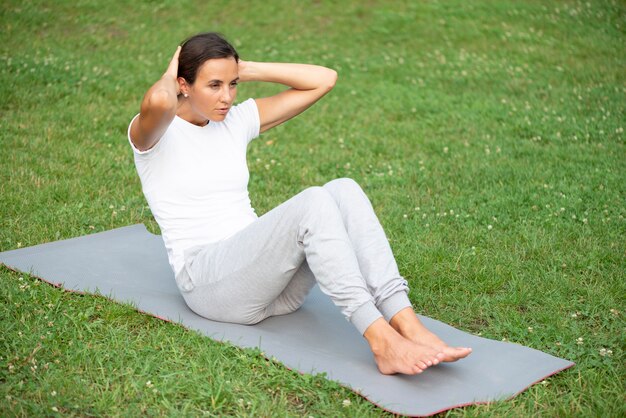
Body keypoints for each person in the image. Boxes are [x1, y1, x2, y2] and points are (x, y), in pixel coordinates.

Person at [127, 32, 471, 375]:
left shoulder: (234, 121)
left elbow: (324, 80)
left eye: (233, 84)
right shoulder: (154, 135)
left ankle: (407, 324)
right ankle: (382, 342)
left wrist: (244, 68)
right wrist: (169, 75)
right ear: (182, 85)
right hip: (209, 285)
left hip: (268, 286)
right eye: (214, 85)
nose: (227, 97)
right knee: (313, 203)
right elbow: (158, 102)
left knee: (344, 189)